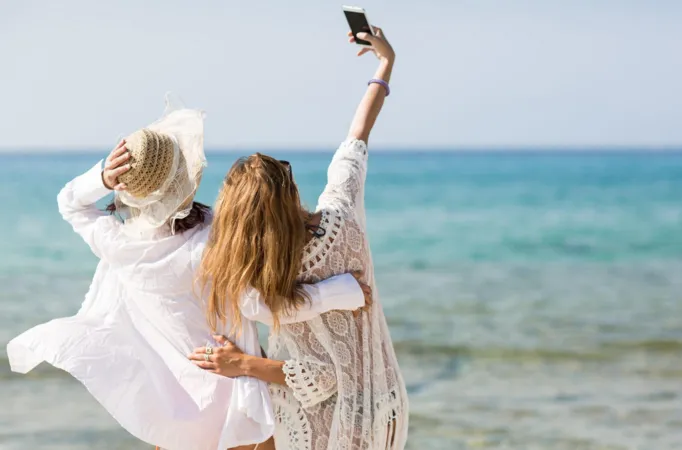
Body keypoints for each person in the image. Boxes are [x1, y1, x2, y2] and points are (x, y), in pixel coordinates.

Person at [6, 96, 371, 450]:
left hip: (174, 402)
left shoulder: (115, 241)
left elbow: (70, 203)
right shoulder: (209, 245)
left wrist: (101, 179)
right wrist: (338, 292)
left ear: (128, 190)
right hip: (227, 396)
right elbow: (261, 307)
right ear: (185, 177)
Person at [192, 27, 409, 450]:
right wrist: (385, 65)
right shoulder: (342, 214)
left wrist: (242, 364)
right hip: (387, 409)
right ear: (290, 191)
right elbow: (356, 137)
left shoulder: (268, 275)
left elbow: (318, 377)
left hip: (326, 427)